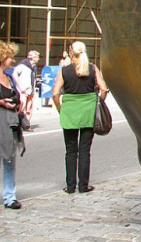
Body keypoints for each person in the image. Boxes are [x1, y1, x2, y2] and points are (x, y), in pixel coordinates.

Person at [52, 41, 108, 193]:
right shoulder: (92, 68)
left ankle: (70, 186)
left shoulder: (64, 71)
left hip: (70, 112)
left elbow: (55, 93)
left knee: (70, 151)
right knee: (85, 150)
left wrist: (60, 109)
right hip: (88, 112)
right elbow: (103, 89)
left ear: (71, 53)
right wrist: (98, 103)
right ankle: (83, 186)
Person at [0, 41, 22, 212]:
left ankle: (10, 197)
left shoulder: (9, 77)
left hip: (10, 124)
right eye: (11, 56)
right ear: (2, 57)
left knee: (10, 162)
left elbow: (16, 96)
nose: (13, 60)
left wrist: (17, 105)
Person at [13, 50, 40, 123]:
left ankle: (27, 124)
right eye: (37, 57)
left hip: (31, 90)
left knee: (29, 109)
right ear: (33, 57)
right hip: (23, 90)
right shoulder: (22, 65)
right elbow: (14, 74)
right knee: (22, 107)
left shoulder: (34, 66)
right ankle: (18, 123)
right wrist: (20, 86)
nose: (38, 59)